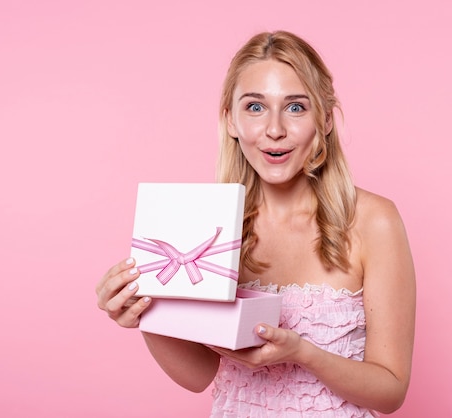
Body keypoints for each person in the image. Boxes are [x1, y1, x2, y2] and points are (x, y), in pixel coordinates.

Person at [96, 30, 416, 417]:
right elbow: (200, 375)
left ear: (326, 120)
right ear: (230, 120)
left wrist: (303, 354)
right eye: (255, 107)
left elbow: (390, 391)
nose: (275, 129)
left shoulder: (373, 221)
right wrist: (145, 312)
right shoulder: (209, 228)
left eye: (296, 107)